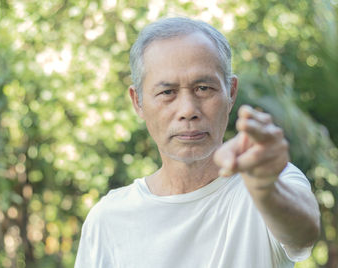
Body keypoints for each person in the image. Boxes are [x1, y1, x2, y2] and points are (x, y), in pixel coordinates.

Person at [75, 17, 320, 268]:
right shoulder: (108, 219)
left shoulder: (270, 184)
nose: (188, 110)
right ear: (138, 101)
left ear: (231, 93)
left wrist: (266, 188)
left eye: (203, 88)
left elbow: (304, 234)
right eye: (167, 92)